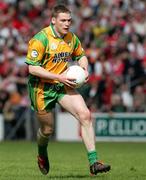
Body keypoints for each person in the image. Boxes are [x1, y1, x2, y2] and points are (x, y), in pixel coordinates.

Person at [25, 4, 111, 176]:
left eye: (69, 20)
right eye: (63, 20)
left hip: (62, 85)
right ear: (53, 20)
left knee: (85, 115)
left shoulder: (71, 38)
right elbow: (32, 69)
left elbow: (81, 56)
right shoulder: (41, 39)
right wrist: (59, 77)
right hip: (41, 89)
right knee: (47, 130)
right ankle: (42, 153)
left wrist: (85, 70)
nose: (67, 24)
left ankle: (94, 162)